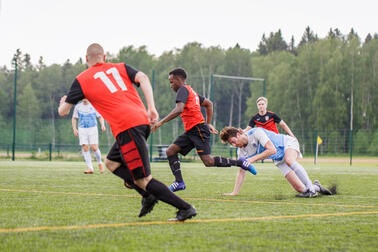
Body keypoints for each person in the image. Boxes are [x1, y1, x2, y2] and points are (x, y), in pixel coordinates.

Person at [58, 43, 196, 221]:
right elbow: (144, 78)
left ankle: (185, 208)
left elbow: (63, 111)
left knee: (143, 180)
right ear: (105, 57)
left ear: (86, 59)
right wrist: (151, 107)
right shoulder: (120, 67)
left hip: (127, 127)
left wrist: (63, 102)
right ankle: (147, 195)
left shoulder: (82, 80)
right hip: (140, 121)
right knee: (111, 163)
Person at [151, 68, 256, 192]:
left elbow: (179, 109)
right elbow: (209, 103)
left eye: (171, 82)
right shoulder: (191, 91)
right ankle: (179, 182)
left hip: (198, 129)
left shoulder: (182, 90)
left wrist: (160, 122)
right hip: (192, 130)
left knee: (208, 161)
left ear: (179, 80)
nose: (171, 85)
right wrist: (209, 123)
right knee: (171, 151)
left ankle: (240, 162)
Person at [219, 126, 333, 197]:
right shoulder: (241, 152)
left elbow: (272, 150)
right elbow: (241, 172)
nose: (234, 145)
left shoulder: (256, 132)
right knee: (301, 189)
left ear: (238, 135)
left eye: (233, 141)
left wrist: (252, 159)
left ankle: (312, 190)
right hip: (278, 159)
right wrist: (234, 192)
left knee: (289, 160)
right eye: (231, 144)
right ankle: (316, 187)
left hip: (286, 144)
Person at [72, 98, 106, 174]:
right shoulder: (78, 107)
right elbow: (74, 118)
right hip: (82, 129)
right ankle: (90, 168)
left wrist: (102, 125)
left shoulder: (94, 105)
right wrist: (74, 129)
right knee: (85, 147)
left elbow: (100, 116)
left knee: (94, 147)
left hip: (92, 128)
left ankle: (100, 163)